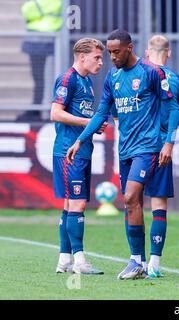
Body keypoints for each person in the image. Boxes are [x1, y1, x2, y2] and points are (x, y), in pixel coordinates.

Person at [66, 30, 174, 280]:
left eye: (116, 52)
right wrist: (81, 140)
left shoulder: (150, 72)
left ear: (129, 47)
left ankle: (138, 261)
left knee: (129, 196)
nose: (112, 57)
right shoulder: (112, 77)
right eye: (109, 52)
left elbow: (174, 106)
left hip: (148, 147)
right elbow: (101, 113)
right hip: (125, 150)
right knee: (131, 203)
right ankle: (137, 260)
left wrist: (168, 141)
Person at [51, 38, 107, 275]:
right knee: (78, 203)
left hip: (82, 150)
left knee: (69, 204)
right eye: (97, 57)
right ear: (82, 57)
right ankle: (80, 261)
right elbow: (55, 113)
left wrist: (94, 125)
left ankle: (64, 260)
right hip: (68, 151)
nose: (101, 62)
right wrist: (89, 122)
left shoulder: (87, 82)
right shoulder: (68, 79)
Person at [136, 35, 179, 278]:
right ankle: (154, 263)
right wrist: (169, 141)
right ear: (169, 53)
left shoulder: (137, 73)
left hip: (136, 147)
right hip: (161, 147)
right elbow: (178, 110)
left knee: (131, 201)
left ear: (146, 52)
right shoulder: (176, 79)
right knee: (158, 204)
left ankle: (136, 260)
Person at [21, 0, 63, 121]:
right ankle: (37, 107)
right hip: (40, 40)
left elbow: (26, 9)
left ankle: (41, 109)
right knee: (39, 78)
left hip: (43, 40)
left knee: (43, 78)